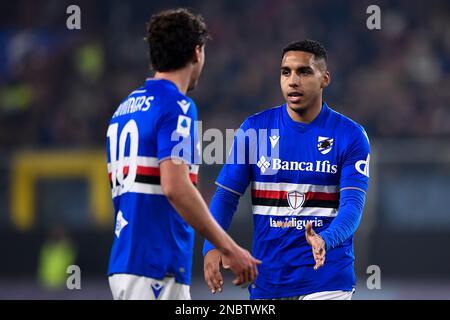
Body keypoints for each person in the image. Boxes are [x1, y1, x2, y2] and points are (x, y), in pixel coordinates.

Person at [106, 8, 260, 300]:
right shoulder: (177, 106)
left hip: (130, 261)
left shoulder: (124, 110)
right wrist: (228, 247)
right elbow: (176, 186)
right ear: (197, 52)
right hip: (155, 264)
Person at [203, 39, 370, 300]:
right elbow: (226, 196)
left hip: (327, 277)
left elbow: (353, 207)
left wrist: (326, 239)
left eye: (304, 72)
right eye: (286, 72)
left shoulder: (350, 136)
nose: (293, 81)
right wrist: (211, 245)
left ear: (325, 79)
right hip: (268, 279)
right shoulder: (254, 130)